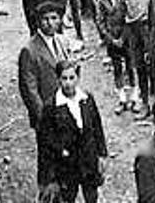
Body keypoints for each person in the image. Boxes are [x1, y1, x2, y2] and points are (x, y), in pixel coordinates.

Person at [37, 60, 108, 203]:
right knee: (68, 197)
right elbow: (45, 144)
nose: (68, 83)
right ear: (58, 80)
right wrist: (48, 178)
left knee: (92, 196)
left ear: (78, 78)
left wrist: (102, 154)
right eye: (64, 78)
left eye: (72, 78)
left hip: (88, 160)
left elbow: (97, 127)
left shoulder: (87, 99)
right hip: (67, 165)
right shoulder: (51, 107)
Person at [18, 1, 71, 131]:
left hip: (65, 107)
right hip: (46, 113)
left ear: (60, 20)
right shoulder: (29, 50)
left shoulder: (62, 41)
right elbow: (29, 89)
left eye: (54, 18)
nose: (50, 23)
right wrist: (43, 116)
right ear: (38, 22)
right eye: (45, 19)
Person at [94, 0, 135, 115]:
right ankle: (122, 98)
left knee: (130, 66)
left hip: (126, 36)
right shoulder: (101, 0)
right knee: (117, 68)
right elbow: (100, 21)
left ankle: (134, 97)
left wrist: (123, 37)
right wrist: (110, 38)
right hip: (112, 38)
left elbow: (129, 17)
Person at [120, 0, 155, 117]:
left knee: (153, 68)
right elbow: (122, 16)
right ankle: (145, 103)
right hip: (134, 32)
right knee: (140, 68)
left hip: (149, 30)